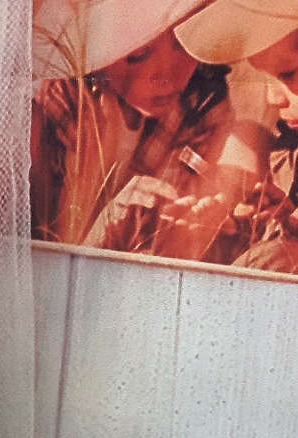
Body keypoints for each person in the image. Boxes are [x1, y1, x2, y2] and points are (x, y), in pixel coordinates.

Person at [32, 0, 268, 260]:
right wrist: (102, 232)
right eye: (138, 54)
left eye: (184, 45)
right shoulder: (60, 101)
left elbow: (166, 235)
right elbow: (47, 248)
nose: (166, 74)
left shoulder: (201, 100)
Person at [177, 0, 298, 272]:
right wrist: (287, 219)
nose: (273, 98)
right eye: (266, 79)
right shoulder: (292, 158)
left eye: (288, 74)